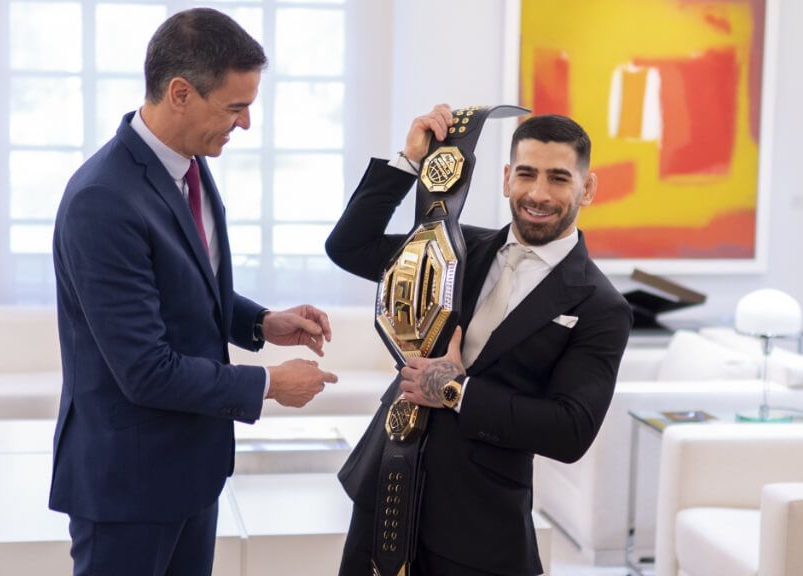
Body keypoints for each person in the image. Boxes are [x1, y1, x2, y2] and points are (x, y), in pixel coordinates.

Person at [48, 8, 338, 575]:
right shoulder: (101, 200)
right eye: (235, 107)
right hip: (128, 486)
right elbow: (145, 368)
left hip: (191, 470)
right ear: (180, 92)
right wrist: (269, 385)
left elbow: (187, 288)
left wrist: (259, 323)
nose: (247, 124)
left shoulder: (190, 166)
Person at [326, 104, 633, 575]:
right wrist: (410, 161)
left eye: (558, 178)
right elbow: (349, 246)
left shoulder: (601, 306)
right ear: (507, 177)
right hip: (387, 490)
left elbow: (569, 430)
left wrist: (454, 391)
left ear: (587, 188)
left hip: (479, 525)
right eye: (527, 174)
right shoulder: (453, 247)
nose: (538, 193)